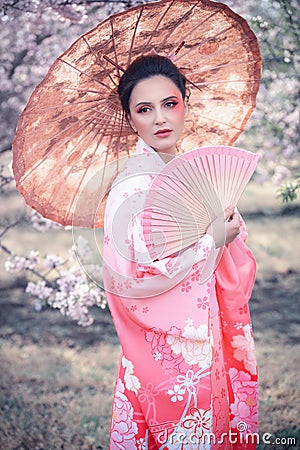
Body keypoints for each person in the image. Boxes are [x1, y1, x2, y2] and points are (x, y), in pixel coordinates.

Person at [102, 54, 258, 449]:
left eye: (169, 104)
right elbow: (135, 280)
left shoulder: (197, 174)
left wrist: (226, 228)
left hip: (209, 325)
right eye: (144, 109)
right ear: (130, 119)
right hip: (167, 347)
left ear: (184, 104)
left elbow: (232, 257)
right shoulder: (130, 189)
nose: (160, 119)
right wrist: (211, 241)